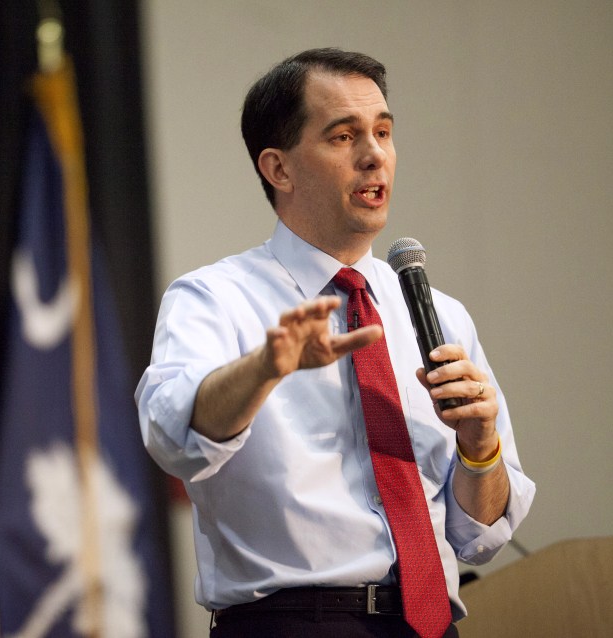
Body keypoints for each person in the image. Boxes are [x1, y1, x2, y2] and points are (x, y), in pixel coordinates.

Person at [135, 48, 535, 637]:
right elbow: (173, 436)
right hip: (293, 622)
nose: (375, 155)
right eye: (344, 136)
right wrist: (264, 368)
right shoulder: (215, 298)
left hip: (430, 623)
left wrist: (480, 446)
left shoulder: (440, 315)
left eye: (383, 132)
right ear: (279, 169)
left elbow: (478, 535)